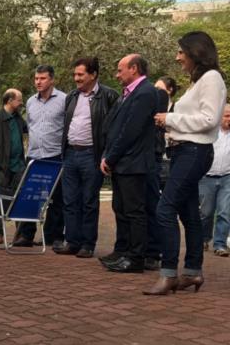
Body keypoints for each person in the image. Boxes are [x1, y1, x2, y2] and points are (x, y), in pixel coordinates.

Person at [145, 31, 227, 295]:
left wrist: (170, 119)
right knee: (190, 213)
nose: (178, 57)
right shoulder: (201, 81)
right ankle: (192, 272)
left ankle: (169, 273)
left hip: (194, 152)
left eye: (181, 51)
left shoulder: (212, 79)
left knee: (164, 209)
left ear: (195, 52)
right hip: (185, 152)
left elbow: (209, 120)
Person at [99, 54, 158, 273]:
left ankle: (136, 257)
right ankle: (122, 250)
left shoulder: (145, 93)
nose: (117, 74)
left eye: (120, 69)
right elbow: (112, 127)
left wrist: (111, 157)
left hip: (134, 163)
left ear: (134, 69)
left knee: (134, 211)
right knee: (120, 209)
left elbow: (130, 131)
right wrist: (107, 155)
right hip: (121, 162)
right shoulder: (127, 94)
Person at [58, 57, 119, 258]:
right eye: (75, 74)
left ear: (93, 75)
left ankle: (87, 244)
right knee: (69, 200)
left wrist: (106, 156)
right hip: (70, 154)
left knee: (89, 201)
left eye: (80, 74)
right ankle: (72, 241)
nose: (76, 78)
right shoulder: (72, 96)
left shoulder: (109, 96)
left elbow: (114, 129)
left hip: (91, 155)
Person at [0, 88, 34, 245]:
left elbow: (28, 131)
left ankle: (21, 233)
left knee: (21, 199)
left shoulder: (18, 119)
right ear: (10, 101)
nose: (21, 103)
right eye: (19, 100)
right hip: (3, 169)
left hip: (19, 166)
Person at [25, 64, 66, 249]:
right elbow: (30, 126)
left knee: (57, 199)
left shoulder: (64, 99)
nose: (38, 82)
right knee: (30, 197)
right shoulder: (30, 102)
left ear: (52, 80)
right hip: (33, 156)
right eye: (36, 78)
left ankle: (53, 236)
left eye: (42, 78)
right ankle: (25, 235)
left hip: (55, 155)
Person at [199, 104, 230, 257]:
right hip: (207, 177)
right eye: (227, 116)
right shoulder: (211, 133)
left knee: (225, 211)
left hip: (227, 177)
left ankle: (220, 244)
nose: (229, 119)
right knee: (206, 212)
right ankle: (204, 239)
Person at [154, 76, 178, 191]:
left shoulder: (177, 108)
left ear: (170, 90)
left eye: (159, 88)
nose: (156, 91)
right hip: (158, 152)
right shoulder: (153, 108)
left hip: (172, 153)